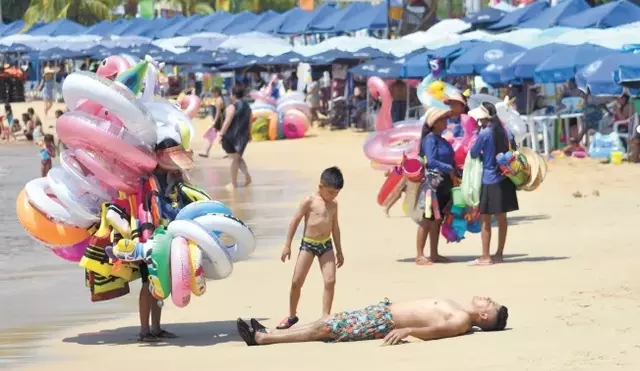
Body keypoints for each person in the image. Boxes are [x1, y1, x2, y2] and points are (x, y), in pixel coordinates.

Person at [236, 296, 508, 346]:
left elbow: (438, 331)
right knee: (328, 321)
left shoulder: (461, 319)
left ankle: (264, 338)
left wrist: (407, 330)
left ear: (483, 316)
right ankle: (269, 332)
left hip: (385, 322)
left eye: (490, 303)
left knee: (327, 328)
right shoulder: (460, 311)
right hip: (383, 313)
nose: (486, 298)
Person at [278, 167, 345, 329]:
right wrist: (287, 245)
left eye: (336, 193)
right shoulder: (309, 201)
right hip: (308, 244)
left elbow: (335, 227)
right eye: (330, 192)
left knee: (330, 281)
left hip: (326, 245)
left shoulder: (333, 204)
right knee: (296, 281)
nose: (333, 196)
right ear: (320, 187)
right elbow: (295, 221)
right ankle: (292, 316)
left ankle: (325, 317)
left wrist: (339, 250)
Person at [469, 102, 519, 266]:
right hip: (505, 178)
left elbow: (474, 153)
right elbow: (515, 148)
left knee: (486, 219)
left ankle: (485, 256)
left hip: (490, 179)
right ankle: (499, 254)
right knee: (502, 218)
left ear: (483, 117)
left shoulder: (484, 133)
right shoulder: (505, 131)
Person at [416, 108, 458, 266]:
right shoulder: (430, 139)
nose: (445, 122)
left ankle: (434, 253)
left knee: (437, 220)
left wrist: (456, 171)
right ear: (434, 123)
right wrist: (449, 169)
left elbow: (450, 160)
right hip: (432, 184)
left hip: (444, 183)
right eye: (442, 119)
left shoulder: (442, 140)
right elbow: (431, 161)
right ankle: (419, 254)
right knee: (427, 220)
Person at [216, 85, 252, 191]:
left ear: (233, 95)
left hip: (231, 136)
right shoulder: (247, 106)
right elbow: (250, 119)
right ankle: (246, 175)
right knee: (237, 158)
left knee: (232, 159)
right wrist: (249, 134)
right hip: (243, 137)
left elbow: (228, 120)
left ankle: (233, 183)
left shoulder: (232, 106)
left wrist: (221, 134)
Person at [199, 87, 225, 158]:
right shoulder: (219, 99)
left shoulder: (219, 100)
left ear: (216, 93)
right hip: (220, 120)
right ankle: (206, 152)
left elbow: (218, 112)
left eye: (212, 93)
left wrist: (214, 122)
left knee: (211, 135)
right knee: (219, 136)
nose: (212, 94)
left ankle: (206, 152)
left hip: (219, 120)